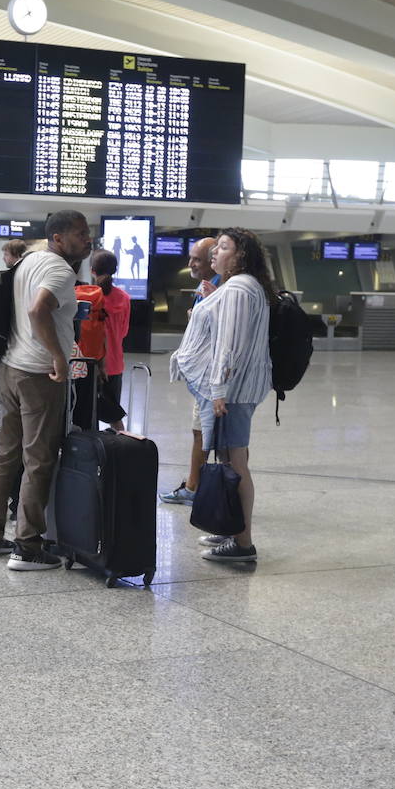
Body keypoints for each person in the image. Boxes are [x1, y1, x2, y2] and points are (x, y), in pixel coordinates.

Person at [0, 210, 92, 570]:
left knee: (5, 455)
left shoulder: (27, 261)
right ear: (58, 238)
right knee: (38, 460)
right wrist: (59, 357)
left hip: (8, 368)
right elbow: (39, 310)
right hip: (38, 374)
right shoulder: (59, 269)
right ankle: (27, 546)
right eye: (81, 233)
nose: (88, 239)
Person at [169, 227, 275, 564]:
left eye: (224, 247)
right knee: (230, 461)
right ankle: (231, 528)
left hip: (233, 393)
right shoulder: (239, 287)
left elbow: (229, 346)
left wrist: (218, 389)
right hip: (236, 390)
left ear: (241, 255)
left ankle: (243, 544)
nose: (215, 252)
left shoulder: (240, 290)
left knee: (236, 464)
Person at [161, 236, 222, 505]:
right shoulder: (207, 286)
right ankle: (194, 485)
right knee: (199, 430)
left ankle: (201, 490)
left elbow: (229, 332)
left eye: (196, 259)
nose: (191, 264)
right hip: (203, 377)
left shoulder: (225, 288)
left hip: (214, 379)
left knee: (214, 437)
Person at [90, 249, 132, 431]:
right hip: (114, 365)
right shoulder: (124, 298)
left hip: (89, 364)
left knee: (87, 413)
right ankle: (120, 453)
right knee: (114, 415)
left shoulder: (87, 296)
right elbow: (123, 332)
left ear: (92, 270)